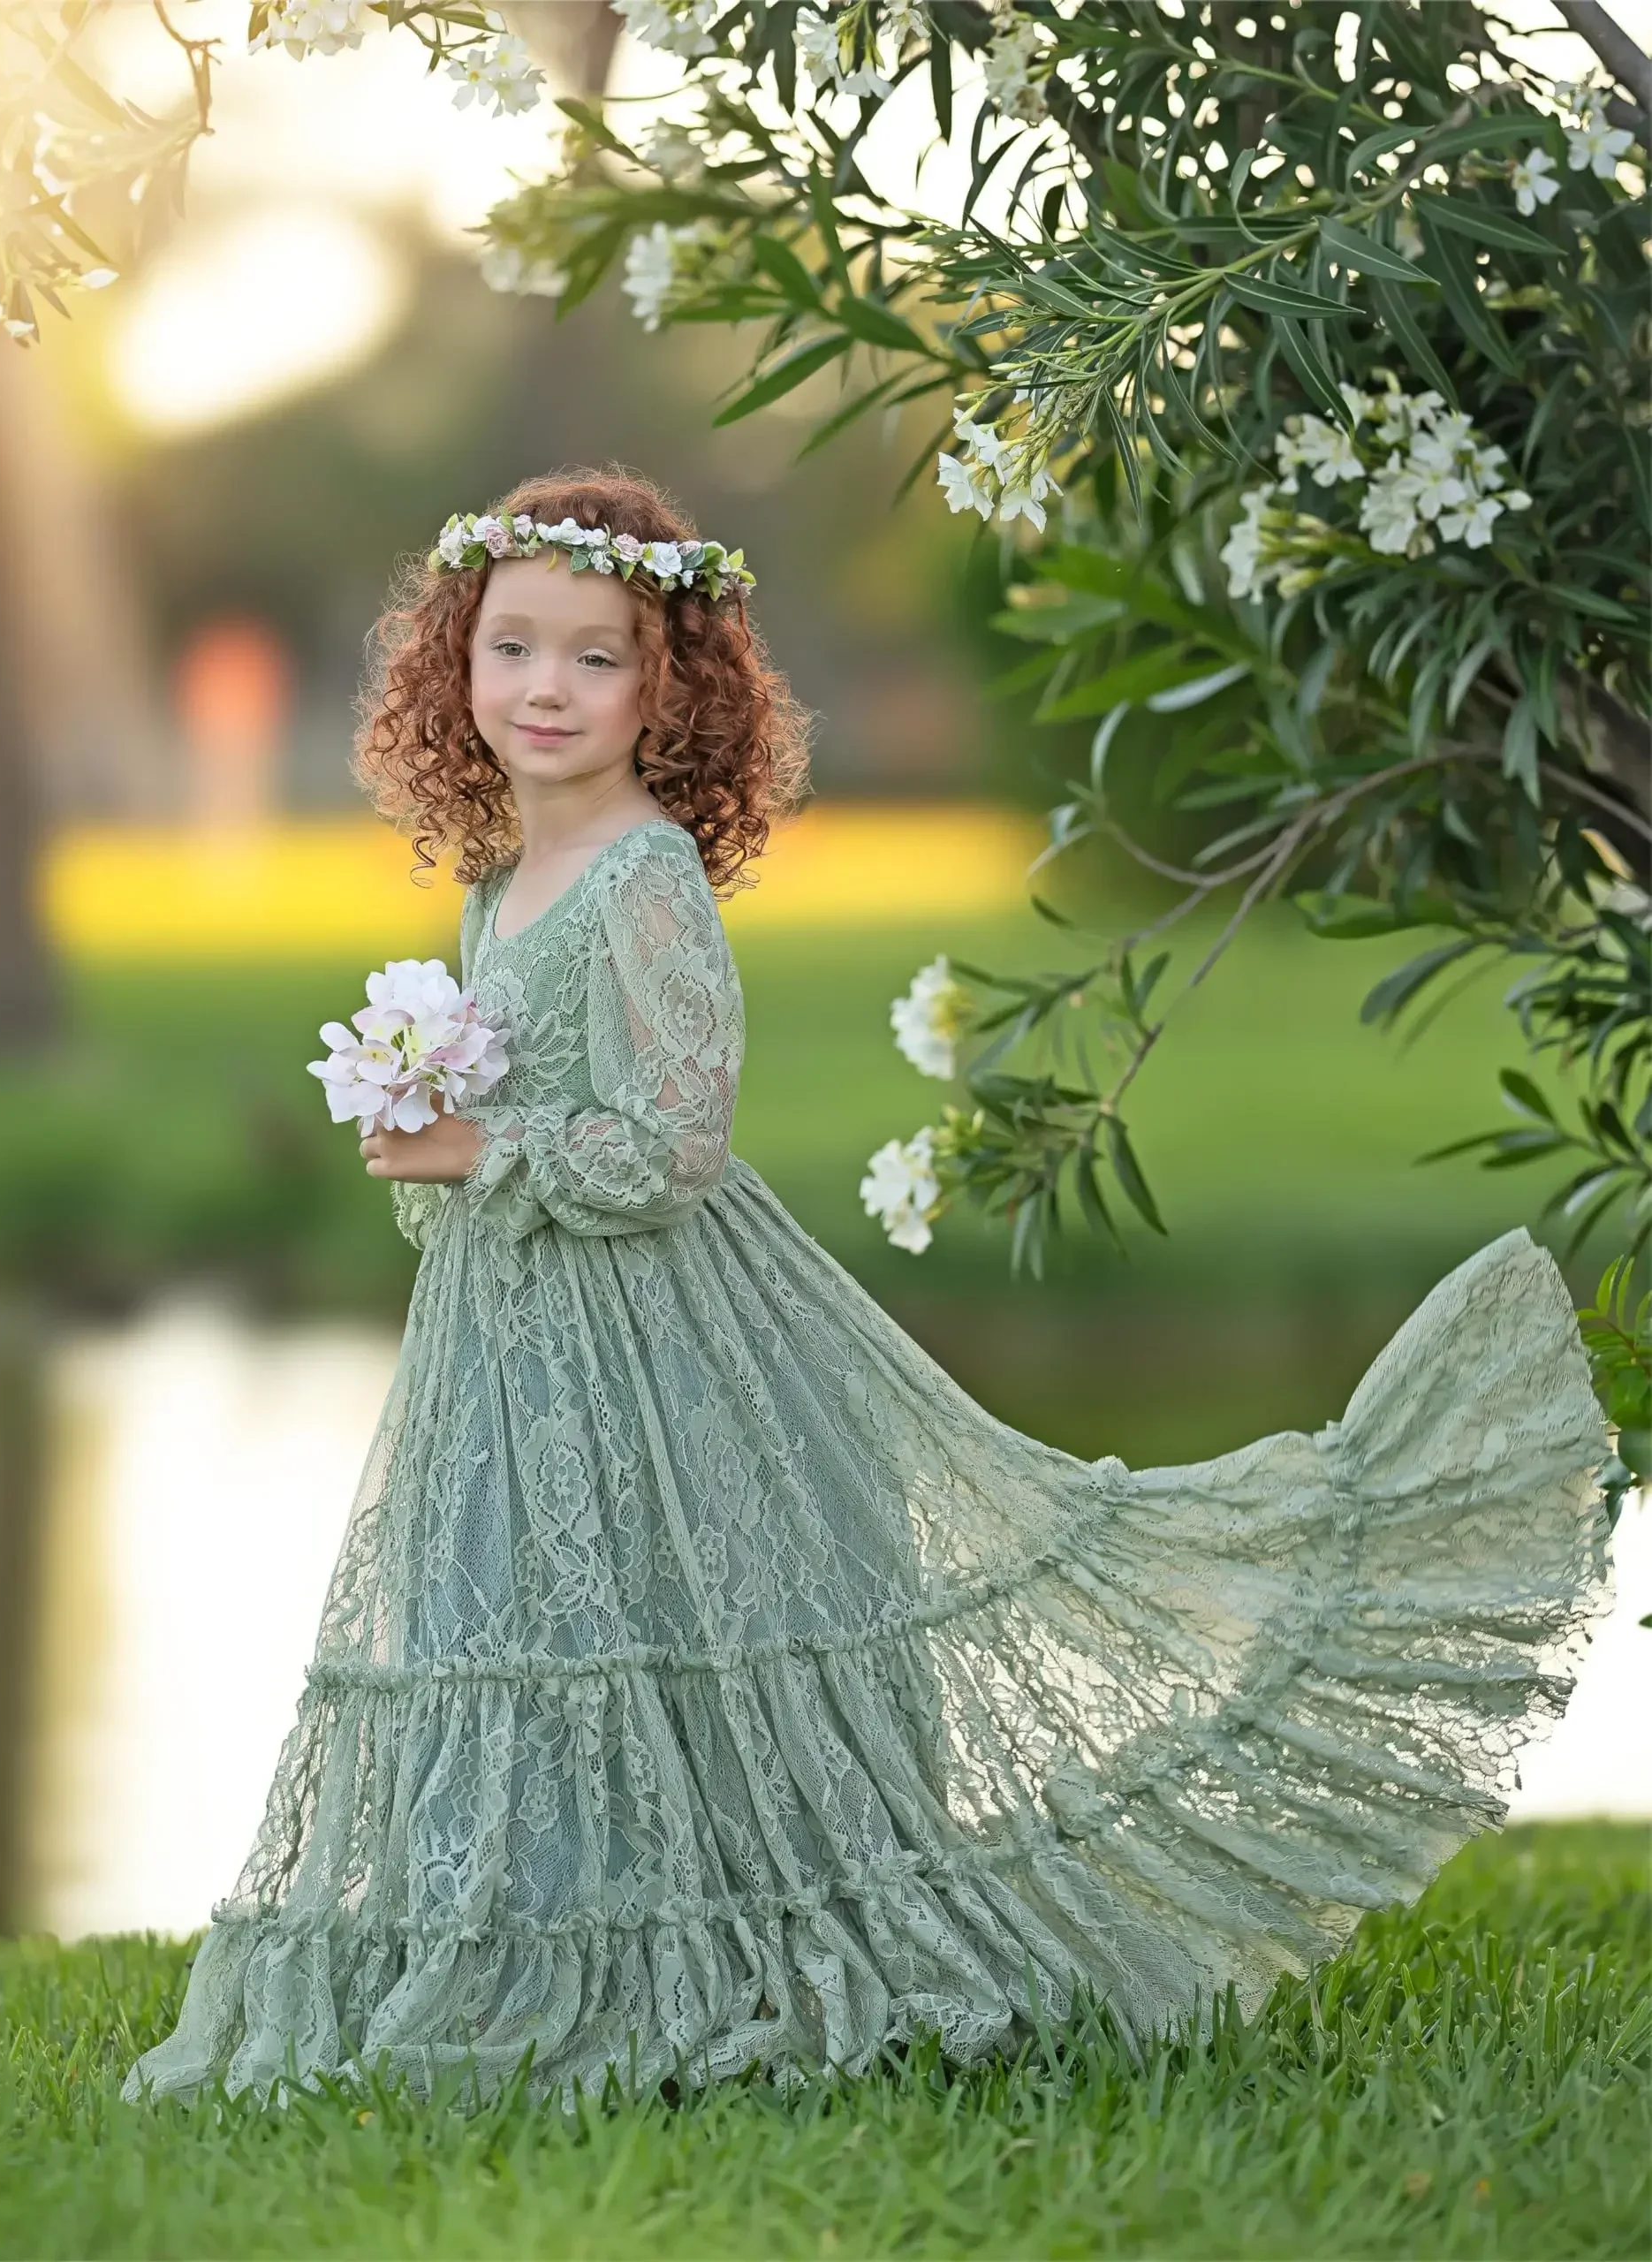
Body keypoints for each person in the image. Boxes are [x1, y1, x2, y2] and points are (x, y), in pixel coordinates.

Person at [123, 468, 1613, 2109]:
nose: (545, 688)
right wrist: (430, 1137)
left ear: (669, 686)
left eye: (597, 657)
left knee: (682, 1623)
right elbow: (527, 1133)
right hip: (513, 1342)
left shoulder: (645, 877)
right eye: (511, 648)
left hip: (666, 1332)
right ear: (453, 670)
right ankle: (554, 1951)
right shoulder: (492, 889)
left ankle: (771, 1952)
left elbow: (675, 1142)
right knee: (526, 1623)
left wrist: (489, 1143)